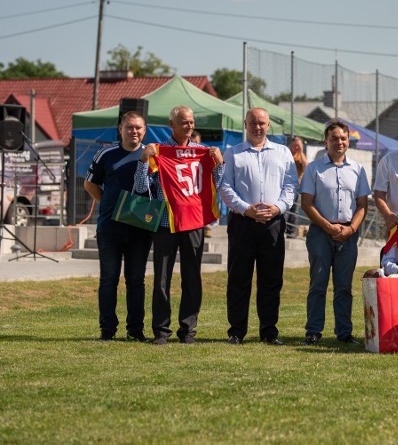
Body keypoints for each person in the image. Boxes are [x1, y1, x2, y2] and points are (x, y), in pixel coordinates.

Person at [134, 105, 224, 345]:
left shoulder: (203, 151)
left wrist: (220, 163)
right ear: (171, 124)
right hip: (165, 222)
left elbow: (219, 185)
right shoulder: (158, 151)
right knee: (162, 279)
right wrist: (144, 160)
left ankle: (188, 331)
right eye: (184, 122)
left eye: (192, 122)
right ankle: (161, 331)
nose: (189, 126)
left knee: (192, 278)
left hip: (194, 223)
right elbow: (141, 188)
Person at [219, 108, 298, 345]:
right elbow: (224, 186)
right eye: (253, 123)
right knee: (239, 279)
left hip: (273, 223)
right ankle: (236, 331)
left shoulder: (283, 153)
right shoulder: (232, 154)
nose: (257, 127)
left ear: (268, 125)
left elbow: (291, 186)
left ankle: (269, 331)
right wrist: (246, 209)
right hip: (242, 223)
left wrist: (277, 208)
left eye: (262, 123)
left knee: (271, 279)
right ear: (245, 124)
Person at [84, 111, 154, 342]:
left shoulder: (152, 155)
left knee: (136, 281)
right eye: (129, 127)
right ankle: (107, 330)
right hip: (110, 229)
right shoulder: (106, 154)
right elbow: (89, 184)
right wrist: (108, 203)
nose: (134, 131)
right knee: (108, 280)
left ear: (145, 130)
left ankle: (135, 330)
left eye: (138, 128)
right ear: (120, 129)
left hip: (139, 229)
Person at [300, 120, 370, 345]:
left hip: (348, 235)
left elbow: (362, 205)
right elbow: (307, 203)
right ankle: (313, 331)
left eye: (343, 138)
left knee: (344, 287)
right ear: (326, 141)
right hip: (321, 233)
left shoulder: (358, 170)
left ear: (348, 141)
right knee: (318, 284)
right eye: (334, 138)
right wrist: (328, 227)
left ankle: (344, 333)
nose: (339, 142)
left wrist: (351, 229)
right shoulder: (314, 168)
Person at [287, 136, 308, 237]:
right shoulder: (286, 154)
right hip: (286, 185)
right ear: (291, 145)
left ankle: (291, 232)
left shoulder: (301, 156)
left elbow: (306, 166)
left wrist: (301, 151)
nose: (296, 148)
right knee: (284, 209)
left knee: (295, 209)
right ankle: (283, 229)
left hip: (297, 186)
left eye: (298, 146)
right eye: (295, 146)